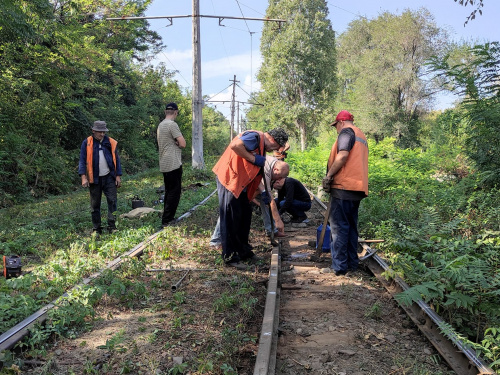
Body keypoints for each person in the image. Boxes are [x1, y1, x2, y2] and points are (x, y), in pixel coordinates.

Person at [212, 128, 289, 269]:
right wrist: (253, 159)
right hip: (230, 179)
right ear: (272, 139)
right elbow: (235, 146)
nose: (274, 150)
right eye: (275, 147)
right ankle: (230, 257)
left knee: (245, 215)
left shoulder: (261, 146)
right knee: (231, 218)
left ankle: (244, 251)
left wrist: (262, 194)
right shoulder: (255, 137)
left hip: (241, 183)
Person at [322, 110, 368, 276]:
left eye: (336, 126)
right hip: (356, 188)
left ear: (340, 122)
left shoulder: (346, 132)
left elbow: (342, 156)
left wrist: (329, 176)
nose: (336, 129)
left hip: (343, 186)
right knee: (350, 227)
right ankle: (351, 264)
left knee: (338, 228)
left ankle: (339, 267)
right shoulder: (360, 134)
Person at [209, 156, 290, 247]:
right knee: (229, 207)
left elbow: (263, 191)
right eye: (279, 177)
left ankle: (271, 230)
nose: (279, 180)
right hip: (231, 178)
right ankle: (216, 240)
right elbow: (269, 197)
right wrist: (278, 220)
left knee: (265, 201)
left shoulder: (274, 164)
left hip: (248, 181)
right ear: (275, 170)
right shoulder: (266, 169)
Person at [79, 121, 122, 234]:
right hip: (94, 178)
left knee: (112, 201)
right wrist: (83, 177)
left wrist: (118, 176)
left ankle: (112, 226)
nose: (102, 134)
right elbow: (82, 161)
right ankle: (96, 229)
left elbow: (117, 160)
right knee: (95, 205)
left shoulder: (111, 142)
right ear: (93, 131)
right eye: (100, 132)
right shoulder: (87, 143)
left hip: (109, 177)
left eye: (104, 132)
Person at [157, 102, 186, 227]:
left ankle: (166, 217)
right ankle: (168, 220)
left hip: (164, 162)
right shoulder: (172, 125)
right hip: (173, 162)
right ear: (175, 112)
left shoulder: (161, 125)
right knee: (174, 192)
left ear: (165, 112)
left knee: (169, 191)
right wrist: (177, 142)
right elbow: (183, 143)